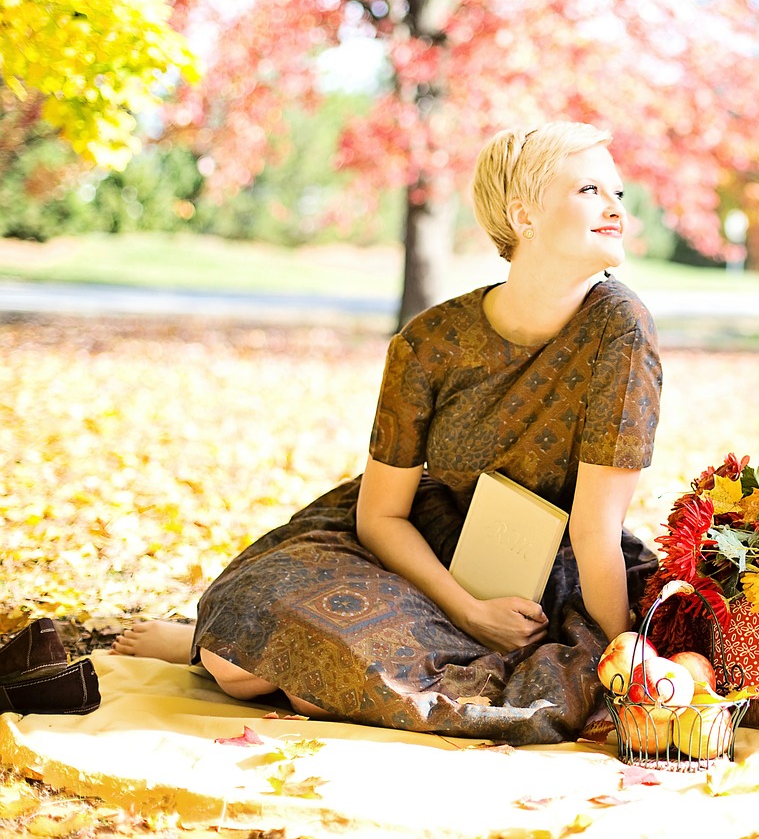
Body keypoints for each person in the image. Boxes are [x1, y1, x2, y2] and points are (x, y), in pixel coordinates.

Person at [113, 122, 662, 744]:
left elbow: (594, 530)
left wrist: (626, 661)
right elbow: (381, 516)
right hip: (416, 550)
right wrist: (465, 608)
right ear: (523, 214)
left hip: (553, 570)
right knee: (232, 665)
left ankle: (268, 661)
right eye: (590, 189)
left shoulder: (621, 327)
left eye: (617, 192)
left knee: (302, 681)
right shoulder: (428, 342)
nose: (616, 207)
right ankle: (207, 645)